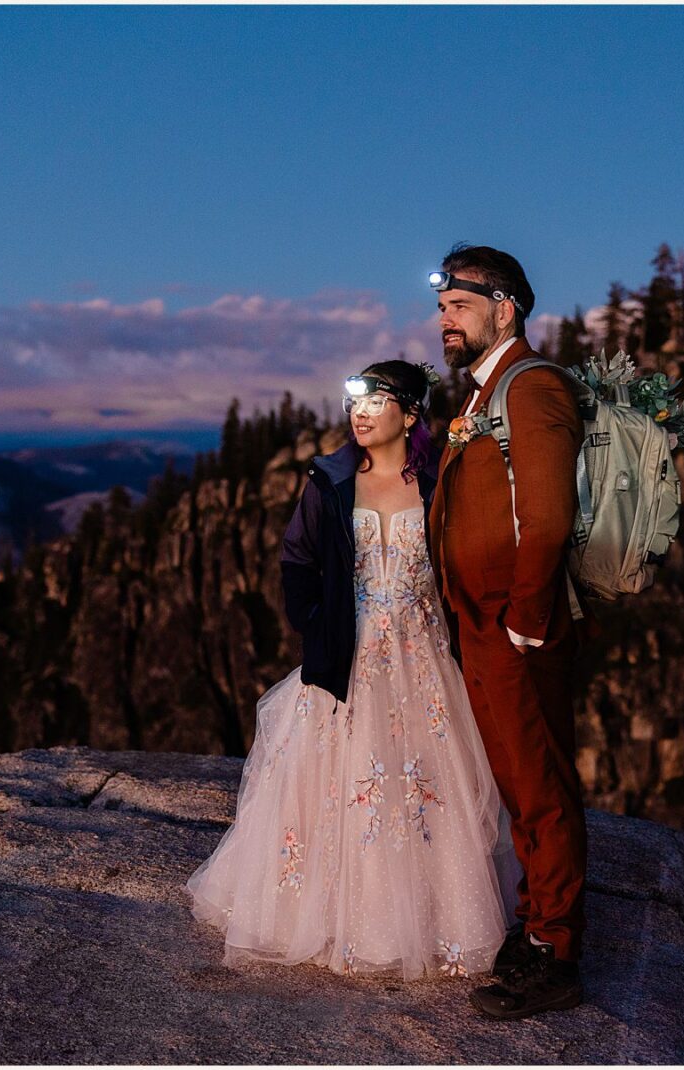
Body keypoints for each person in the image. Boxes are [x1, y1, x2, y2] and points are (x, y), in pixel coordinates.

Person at [186, 359, 520, 979]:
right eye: (354, 404)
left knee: (423, 785)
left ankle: (431, 919)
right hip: (348, 658)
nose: (360, 415)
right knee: (337, 783)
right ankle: (333, 916)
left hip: (423, 662)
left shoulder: (441, 481)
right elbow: (297, 557)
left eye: (375, 402)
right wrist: (316, 623)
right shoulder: (332, 480)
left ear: (410, 414)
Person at [427, 244, 588, 1019]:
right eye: (441, 309)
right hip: (483, 623)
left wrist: (524, 620)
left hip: (515, 627)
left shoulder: (533, 385)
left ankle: (556, 953)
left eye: (458, 306)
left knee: (541, 786)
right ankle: (535, 925)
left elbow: (548, 517)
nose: (444, 321)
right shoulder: (487, 392)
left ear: (505, 308)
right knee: (518, 786)